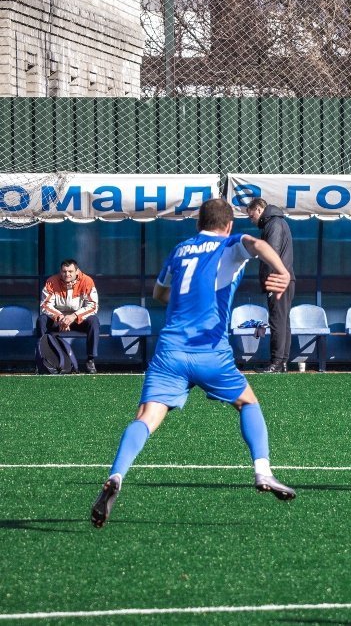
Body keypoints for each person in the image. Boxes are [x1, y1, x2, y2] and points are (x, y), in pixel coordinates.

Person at [91, 198, 297, 528]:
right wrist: (283, 273)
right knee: (247, 403)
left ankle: (116, 475)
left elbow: (159, 294)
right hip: (210, 350)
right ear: (228, 225)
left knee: (146, 417)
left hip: (170, 351)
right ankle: (262, 470)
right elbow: (258, 244)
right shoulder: (230, 243)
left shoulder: (180, 249)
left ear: (199, 223)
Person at [245, 197, 295, 373]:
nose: (251, 220)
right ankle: (282, 362)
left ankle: (276, 363)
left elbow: (270, 254)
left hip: (277, 280)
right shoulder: (277, 222)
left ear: (259, 210)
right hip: (284, 279)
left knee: (277, 321)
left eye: (251, 216)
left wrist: (268, 280)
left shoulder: (273, 224)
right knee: (283, 321)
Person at [39, 259, 100, 374]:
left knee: (94, 321)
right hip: (58, 320)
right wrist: (61, 317)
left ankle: (90, 360)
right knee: (42, 320)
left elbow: (93, 306)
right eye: (64, 271)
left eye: (70, 271)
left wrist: (73, 316)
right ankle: (43, 360)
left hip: (77, 320)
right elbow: (45, 305)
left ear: (77, 271)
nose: (67, 274)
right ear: (60, 271)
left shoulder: (87, 281)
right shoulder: (51, 282)